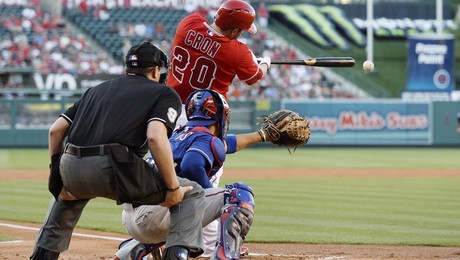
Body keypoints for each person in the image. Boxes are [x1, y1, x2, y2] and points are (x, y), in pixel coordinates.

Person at [29, 42, 207, 260]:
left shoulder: (95, 90)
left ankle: (42, 255)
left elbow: (56, 131)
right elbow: (154, 136)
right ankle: (175, 256)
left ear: (127, 68)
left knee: (65, 198)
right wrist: (173, 188)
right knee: (192, 193)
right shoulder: (164, 93)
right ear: (155, 70)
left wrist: (58, 176)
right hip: (115, 167)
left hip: (71, 163)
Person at [166, 0, 271, 256]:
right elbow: (254, 77)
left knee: (165, 175)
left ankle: (154, 236)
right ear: (235, 31)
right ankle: (212, 243)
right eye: (242, 31)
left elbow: (209, 45)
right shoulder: (238, 51)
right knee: (208, 183)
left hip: (166, 112)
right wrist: (264, 62)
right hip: (203, 117)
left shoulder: (189, 22)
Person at [115, 89, 269, 260]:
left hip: (133, 216)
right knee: (239, 194)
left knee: (181, 208)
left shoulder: (177, 134)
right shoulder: (205, 138)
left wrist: (263, 135)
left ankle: (132, 250)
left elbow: (226, 144)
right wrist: (208, 194)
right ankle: (225, 256)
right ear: (221, 117)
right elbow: (192, 165)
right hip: (155, 217)